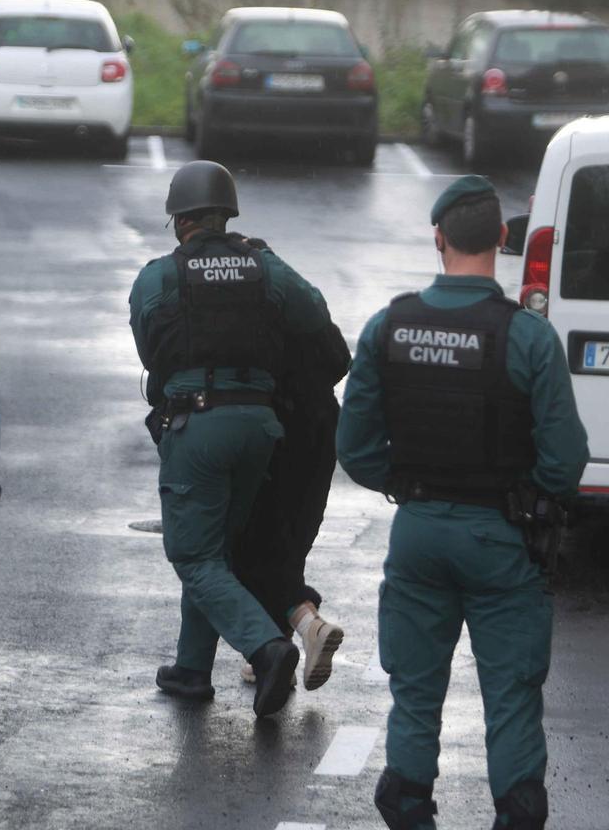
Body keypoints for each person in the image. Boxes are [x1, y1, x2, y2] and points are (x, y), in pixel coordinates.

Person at [336, 176, 588, 830]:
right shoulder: (527, 338)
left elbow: (356, 450)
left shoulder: (388, 326)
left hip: (417, 533)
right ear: (503, 240)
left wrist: (413, 483)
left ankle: (411, 811)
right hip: (504, 541)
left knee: (415, 697)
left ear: (438, 238)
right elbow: (565, 462)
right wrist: (525, 498)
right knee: (510, 697)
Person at [128, 160, 336, 718]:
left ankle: (266, 648)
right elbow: (315, 315)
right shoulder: (266, 267)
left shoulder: (159, 275)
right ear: (228, 215)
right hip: (261, 428)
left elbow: (151, 352)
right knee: (216, 550)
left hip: (197, 424)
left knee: (193, 554)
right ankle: (191, 669)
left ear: (179, 220)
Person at [232, 251, 350, 690]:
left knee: (246, 546)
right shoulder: (301, 296)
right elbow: (341, 359)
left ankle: (305, 624)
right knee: (290, 542)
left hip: (280, 429)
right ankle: (273, 644)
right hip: (322, 428)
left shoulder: (246, 308)